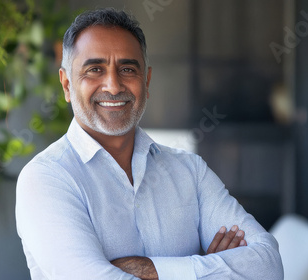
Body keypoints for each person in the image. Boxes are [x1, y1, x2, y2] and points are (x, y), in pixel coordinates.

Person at [16, 7, 283, 280]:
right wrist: (207, 267)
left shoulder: (190, 171)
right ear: (67, 85)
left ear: (147, 80)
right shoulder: (46, 178)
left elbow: (268, 266)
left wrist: (148, 268)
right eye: (94, 69)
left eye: (127, 69)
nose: (113, 85)